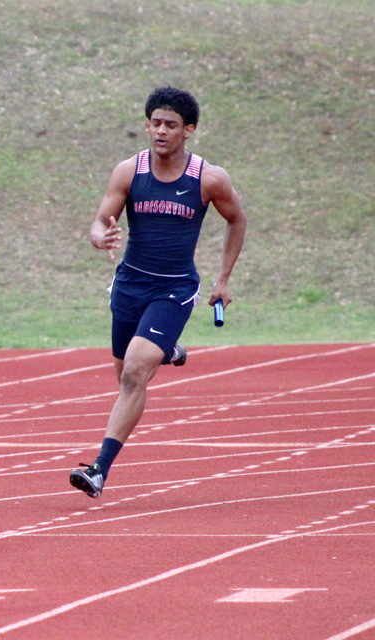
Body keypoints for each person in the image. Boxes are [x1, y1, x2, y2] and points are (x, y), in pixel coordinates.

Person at [69, 86, 246, 498]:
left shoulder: (209, 178)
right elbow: (100, 220)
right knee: (125, 377)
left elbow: (237, 220)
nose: (160, 131)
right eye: (154, 124)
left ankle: (98, 470)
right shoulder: (130, 171)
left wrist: (223, 279)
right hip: (130, 285)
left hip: (174, 289)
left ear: (189, 130)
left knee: (134, 372)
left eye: (170, 125)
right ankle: (167, 350)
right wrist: (99, 237)